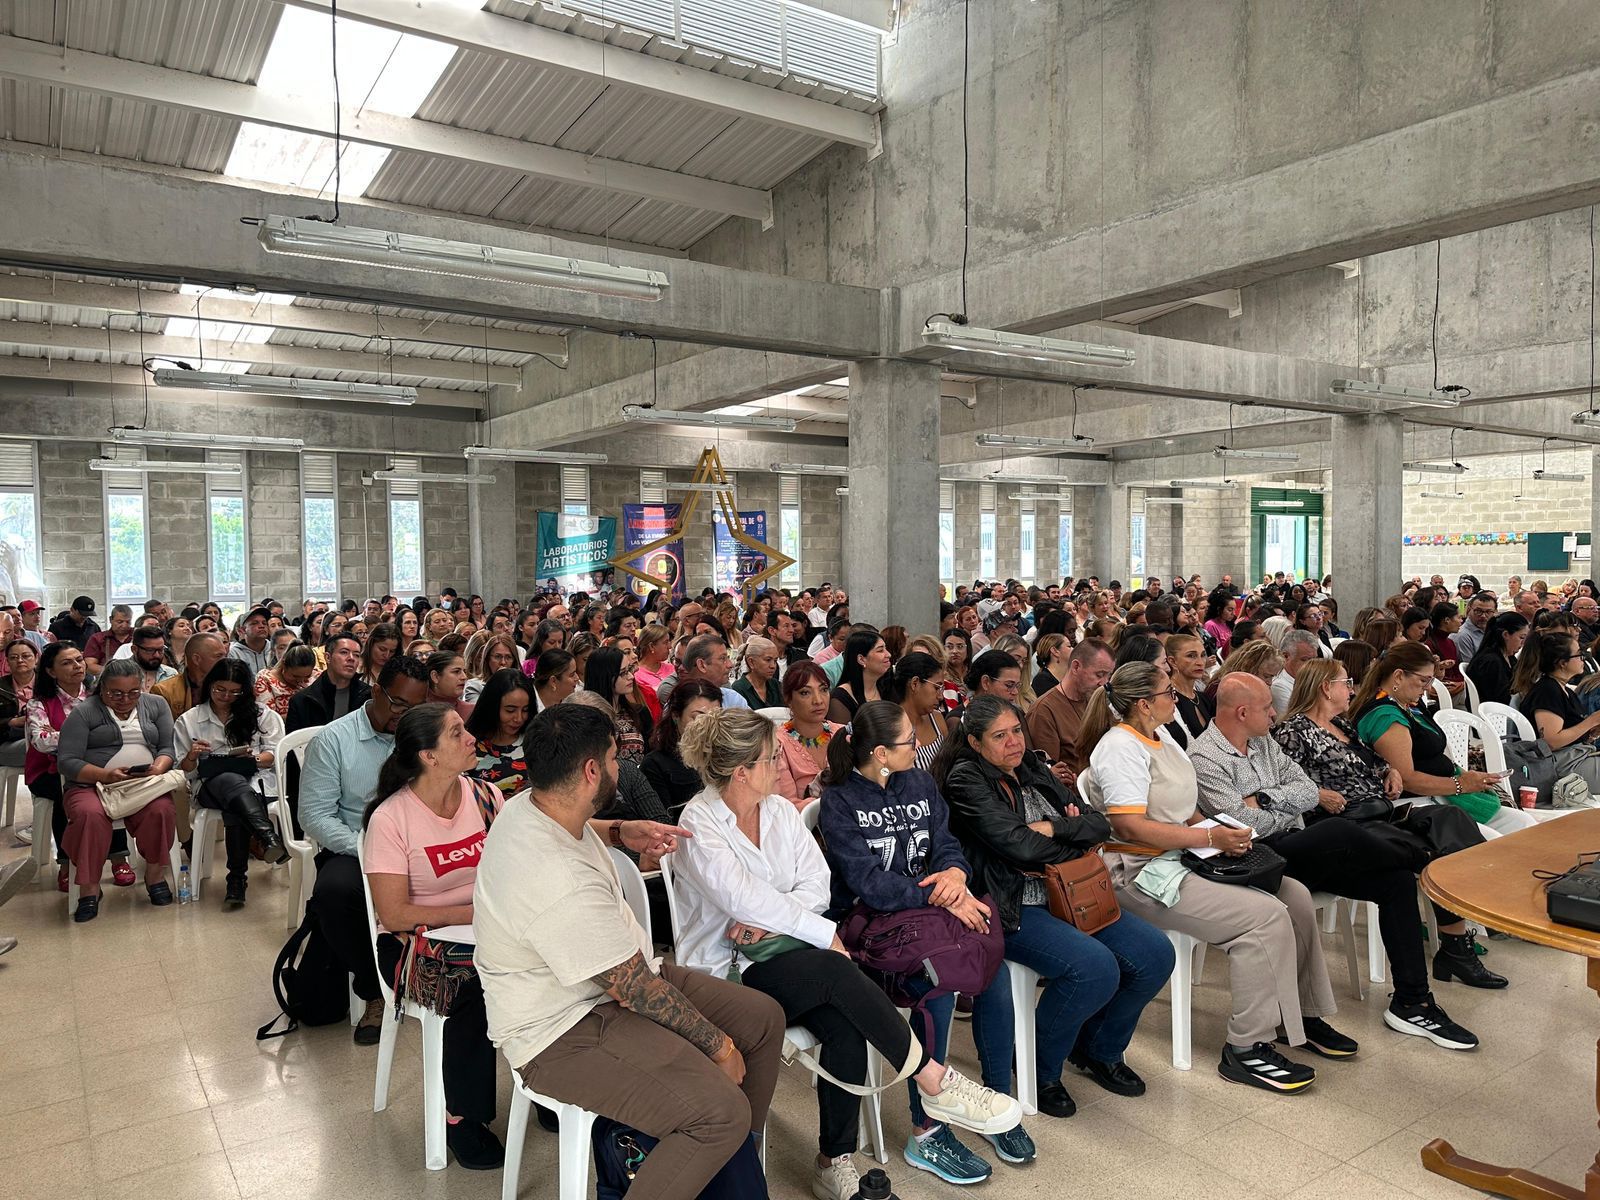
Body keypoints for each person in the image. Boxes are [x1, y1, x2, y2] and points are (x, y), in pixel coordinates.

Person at [672, 707, 1022, 1200]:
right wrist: (813, 930)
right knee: (835, 968)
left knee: (844, 1024)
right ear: (740, 772)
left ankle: (832, 1160)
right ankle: (931, 1077)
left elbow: (816, 884)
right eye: (773, 758)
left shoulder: (777, 812)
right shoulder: (700, 823)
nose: (783, 764)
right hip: (725, 972)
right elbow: (741, 899)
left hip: (787, 956)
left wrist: (780, 919)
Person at [474, 703, 780, 1200]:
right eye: (616, 760)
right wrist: (719, 1048)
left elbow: (632, 976)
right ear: (592, 771)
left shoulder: (531, 804)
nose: (623, 769)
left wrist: (619, 830)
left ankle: (726, 1169)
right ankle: (716, 1141)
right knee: (719, 1109)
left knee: (762, 1020)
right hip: (561, 1028)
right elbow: (635, 989)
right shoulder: (554, 878)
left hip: (612, 981)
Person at [1083, 661, 1346, 1093]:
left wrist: (1222, 837)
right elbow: (1130, 827)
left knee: (1294, 895)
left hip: (1183, 854)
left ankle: (1297, 1015)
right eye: (1169, 692)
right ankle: (1246, 1047)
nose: (1179, 697)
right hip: (1137, 870)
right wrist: (1207, 835)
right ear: (1145, 704)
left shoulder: (1162, 735)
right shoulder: (1119, 748)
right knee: (1263, 917)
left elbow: (1185, 806)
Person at [1191, 674, 1482, 1049]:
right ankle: (1429, 860)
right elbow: (1243, 825)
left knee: (1394, 881)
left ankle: (1413, 1001)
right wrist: (1277, 802)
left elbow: (1307, 790)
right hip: (1255, 860)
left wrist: (1261, 798)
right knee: (1338, 832)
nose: (1275, 715)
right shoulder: (1204, 757)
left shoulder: (1262, 742)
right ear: (1242, 712)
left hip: (1294, 848)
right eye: (1267, 708)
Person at [937, 695, 1176, 1118]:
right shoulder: (966, 779)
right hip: (1011, 904)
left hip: (1071, 893)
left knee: (1156, 954)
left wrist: (1055, 825)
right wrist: (1068, 836)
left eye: (1016, 730)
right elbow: (1018, 846)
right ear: (974, 743)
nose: (1013, 742)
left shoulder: (1028, 764)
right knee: (1094, 968)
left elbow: (1097, 822)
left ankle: (1098, 1049)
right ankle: (1040, 1067)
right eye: (999, 736)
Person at [819, 700, 1020, 1183]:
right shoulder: (840, 801)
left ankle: (992, 1099)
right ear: (881, 754)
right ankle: (926, 1129)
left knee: (994, 972)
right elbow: (868, 883)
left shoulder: (918, 781)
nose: (921, 746)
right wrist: (944, 900)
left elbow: (946, 843)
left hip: (928, 914)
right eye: (910, 741)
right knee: (939, 983)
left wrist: (954, 872)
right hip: (870, 930)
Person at [1272, 657, 1506, 987]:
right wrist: (1317, 792)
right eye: (1345, 683)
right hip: (1343, 823)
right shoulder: (1292, 731)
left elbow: (1374, 759)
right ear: (1326, 688)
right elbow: (1282, 781)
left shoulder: (1344, 725)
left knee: (1450, 817)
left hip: (1383, 811)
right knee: (1435, 853)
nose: (1351, 690)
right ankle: (1461, 941)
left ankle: (1458, 938)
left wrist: (1390, 770)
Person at [363, 703, 506, 1169]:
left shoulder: (485, 798)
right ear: (427, 755)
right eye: (457, 733)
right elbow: (395, 912)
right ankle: (462, 1116)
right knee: (473, 989)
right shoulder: (391, 819)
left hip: (486, 930)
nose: (471, 739)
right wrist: (468, 912)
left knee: (548, 971)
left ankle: (544, 1089)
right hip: (413, 944)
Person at [301, 655, 431, 1043]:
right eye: (398, 704)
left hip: (419, 844)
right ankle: (375, 987)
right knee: (335, 893)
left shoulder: (421, 736)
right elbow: (315, 816)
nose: (404, 716)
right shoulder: (334, 739)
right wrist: (370, 850)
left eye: (416, 707)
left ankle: (445, 974)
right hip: (355, 846)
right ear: (375, 690)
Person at [1354, 641, 1536, 836]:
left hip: (1440, 795)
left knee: (1524, 823)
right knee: (1490, 839)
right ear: (1398, 676)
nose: (1427, 688)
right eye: (1424, 681)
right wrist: (1461, 784)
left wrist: (1466, 778)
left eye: (1430, 681)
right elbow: (1406, 779)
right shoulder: (1386, 717)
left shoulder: (1408, 704)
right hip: (1414, 804)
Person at [57, 659, 180, 922]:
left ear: (143, 686)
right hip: (92, 785)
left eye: (133, 692)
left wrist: (158, 767)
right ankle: (89, 889)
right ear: (102, 689)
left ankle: (155, 875)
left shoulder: (156, 705)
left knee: (161, 809)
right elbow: (67, 761)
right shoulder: (84, 712)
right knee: (89, 815)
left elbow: (169, 748)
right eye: (116, 693)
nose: (125, 699)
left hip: (142, 783)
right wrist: (105, 775)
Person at [174, 657, 288, 907]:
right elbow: (183, 771)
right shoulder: (190, 719)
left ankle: (237, 881)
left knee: (235, 800)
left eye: (235, 692)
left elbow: (275, 755)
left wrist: (252, 757)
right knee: (228, 779)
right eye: (220, 690)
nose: (226, 696)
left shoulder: (261, 715)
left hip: (255, 783)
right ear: (209, 686)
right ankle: (266, 835)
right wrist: (192, 756)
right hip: (209, 787)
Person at [1026, 639, 1113, 780]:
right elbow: (1051, 776)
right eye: (1099, 674)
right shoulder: (1044, 711)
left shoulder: (1096, 699)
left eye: (1108, 675)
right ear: (1076, 667)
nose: (1104, 683)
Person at [642, 680, 724, 816]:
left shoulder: (726, 756)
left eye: (715, 717)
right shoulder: (655, 764)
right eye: (698, 718)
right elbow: (662, 820)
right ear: (675, 715)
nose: (707, 725)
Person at [1513, 630, 1600, 748]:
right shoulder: (1547, 691)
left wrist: (1591, 734)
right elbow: (1550, 742)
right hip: (1556, 762)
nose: (1583, 658)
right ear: (1562, 663)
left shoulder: (1565, 691)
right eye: (1579, 654)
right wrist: (1591, 721)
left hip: (1574, 756)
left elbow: (1571, 734)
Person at [465, 669, 534, 803]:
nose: (519, 718)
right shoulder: (468, 743)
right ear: (491, 707)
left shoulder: (536, 739)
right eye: (510, 710)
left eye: (525, 710)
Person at [880, 651, 950, 772]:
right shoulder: (889, 728)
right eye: (937, 687)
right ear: (915, 683)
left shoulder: (937, 720)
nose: (941, 697)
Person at [586, 646, 652, 762]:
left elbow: (651, 756)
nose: (631, 676)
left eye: (629, 670)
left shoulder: (639, 712)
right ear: (605, 677)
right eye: (623, 673)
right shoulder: (587, 719)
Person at [655, 634, 750, 712]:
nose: (730, 664)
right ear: (702, 665)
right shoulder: (678, 705)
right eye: (722, 658)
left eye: (728, 657)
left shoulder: (733, 699)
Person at [254, 643, 317, 719]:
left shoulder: (317, 676)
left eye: (307, 676)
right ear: (284, 665)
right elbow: (268, 719)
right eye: (295, 676)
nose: (301, 681)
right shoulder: (265, 681)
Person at [1269, 630, 1321, 717]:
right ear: (1285, 656)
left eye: (1314, 660)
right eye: (1305, 660)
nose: (1312, 665)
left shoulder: (1314, 679)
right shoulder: (1279, 687)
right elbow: (1290, 722)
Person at [634, 624, 675, 721]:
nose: (670, 646)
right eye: (665, 642)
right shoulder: (636, 675)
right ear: (651, 646)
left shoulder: (672, 668)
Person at [464, 633, 520, 705]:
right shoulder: (473, 686)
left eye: (508, 657)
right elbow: (479, 714)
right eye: (497, 657)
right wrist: (496, 683)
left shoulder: (523, 684)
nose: (503, 662)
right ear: (487, 659)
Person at [730, 636, 783, 709]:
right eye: (768, 660)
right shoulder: (738, 689)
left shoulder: (777, 685)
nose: (773, 666)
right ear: (751, 662)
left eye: (775, 661)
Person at [83, 603, 132, 675]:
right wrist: (114, 672)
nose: (124, 625)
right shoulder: (98, 639)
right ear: (110, 619)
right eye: (119, 622)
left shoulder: (139, 636)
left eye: (128, 622)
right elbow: (89, 666)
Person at [424, 650, 474, 720]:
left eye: (464, 671)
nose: (464, 677)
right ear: (435, 676)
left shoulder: (472, 711)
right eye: (456, 671)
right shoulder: (416, 711)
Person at [226, 607, 273, 675]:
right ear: (243, 630)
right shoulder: (234, 653)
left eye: (264, 623)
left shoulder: (274, 648)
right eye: (254, 623)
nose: (261, 626)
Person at [360, 621, 402, 689]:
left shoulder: (397, 673)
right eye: (382, 649)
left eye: (392, 651)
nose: (387, 655)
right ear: (371, 644)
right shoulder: (356, 669)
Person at [1031, 633, 1070, 700]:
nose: (1073, 649)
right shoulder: (1041, 681)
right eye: (1069, 646)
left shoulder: (1068, 677)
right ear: (1055, 651)